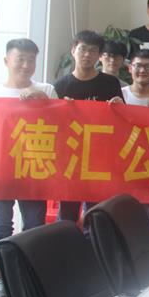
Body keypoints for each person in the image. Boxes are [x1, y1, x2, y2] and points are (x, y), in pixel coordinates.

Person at [0, 38, 55, 297]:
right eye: (20, 59)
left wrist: (45, 102)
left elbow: (62, 125)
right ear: (7, 60)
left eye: (31, 60)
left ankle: (31, 276)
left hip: (33, 170)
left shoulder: (46, 90)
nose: (26, 65)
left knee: (34, 225)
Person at [53, 30, 124, 223]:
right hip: (70, 158)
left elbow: (122, 121)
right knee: (67, 214)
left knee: (97, 213)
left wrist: (119, 107)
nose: (87, 55)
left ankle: (93, 242)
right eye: (82, 49)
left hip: (99, 158)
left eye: (93, 51)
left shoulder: (110, 83)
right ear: (73, 51)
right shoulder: (60, 86)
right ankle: (66, 242)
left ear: (99, 55)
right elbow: (53, 125)